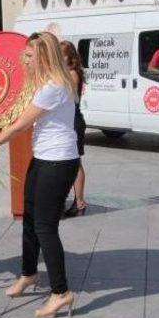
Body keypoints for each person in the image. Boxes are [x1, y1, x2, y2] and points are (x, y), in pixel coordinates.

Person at [0, 32, 79, 318]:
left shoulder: (53, 87)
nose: (23, 60)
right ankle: (28, 274)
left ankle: (61, 292)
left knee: (45, 228)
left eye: (29, 56)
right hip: (43, 160)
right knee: (29, 218)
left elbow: (18, 127)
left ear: (43, 57)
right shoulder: (45, 84)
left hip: (58, 163)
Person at [60, 41, 87, 217]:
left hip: (73, 121)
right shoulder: (66, 73)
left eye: (61, 55)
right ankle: (72, 200)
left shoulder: (72, 74)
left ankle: (79, 202)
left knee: (75, 163)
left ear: (70, 56)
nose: (58, 59)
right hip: (68, 121)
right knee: (70, 162)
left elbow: (69, 98)